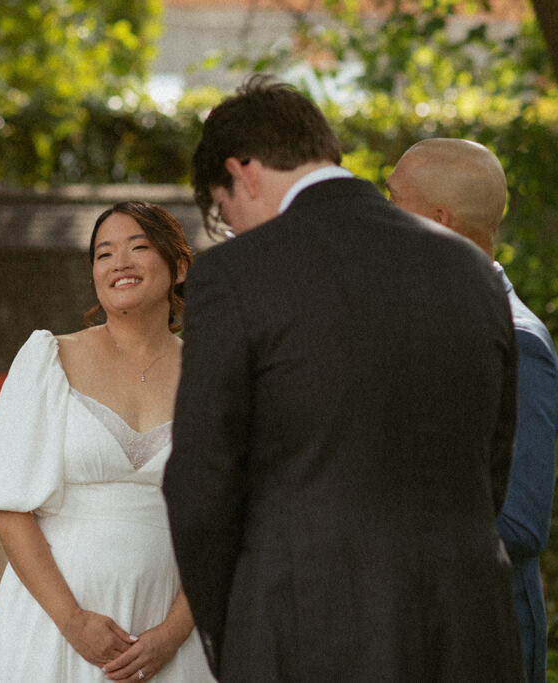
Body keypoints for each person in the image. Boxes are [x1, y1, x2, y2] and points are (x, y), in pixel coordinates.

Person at [162, 74, 525, 681]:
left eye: (224, 212)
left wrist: (241, 630)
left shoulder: (236, 275)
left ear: (244, 172)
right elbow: (492, 461)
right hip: (468, 633)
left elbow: (201, 486)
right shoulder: (473, 271)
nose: (234, 230)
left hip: (307, 633)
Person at [0, 201, 216, 683]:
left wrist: (174, 631)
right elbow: (6, 506)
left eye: (138, 247)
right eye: (104, 254)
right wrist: (73, 622)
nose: (119, 263)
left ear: (179, 264)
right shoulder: (49, 358)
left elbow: (225, 518)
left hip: (171, 624)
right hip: (56, 619)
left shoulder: (211, 373)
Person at [387, 137, 558, 683]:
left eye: (394, 203)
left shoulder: (519, 343)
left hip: (482, 637)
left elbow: (520, 524)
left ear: (438, 221)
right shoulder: (410, 325)